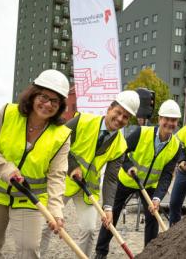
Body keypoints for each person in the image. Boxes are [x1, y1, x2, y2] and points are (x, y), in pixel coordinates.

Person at [0, 69, 72, 259]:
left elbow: (57, 175)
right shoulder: (8, 113)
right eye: (44, 96)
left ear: (60, 106)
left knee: (29, 251)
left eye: (55, 101)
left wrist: (56, 210)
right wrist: (6, 169)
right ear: (34, 94)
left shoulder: (62, 135)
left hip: (30, 198)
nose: (47, 104)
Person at [41, 90, 140, 258]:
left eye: (126, 117)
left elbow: (111, 178)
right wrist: (72, 165)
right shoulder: (82, 121)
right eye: (118, 112)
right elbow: (57, 141)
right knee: (46, 224)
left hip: (88, 189)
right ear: (109, 109)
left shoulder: (120, 145)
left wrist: (108, 207)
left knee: (89, 229)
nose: (120, 119)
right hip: (62, 181)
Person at [94, 100, 183, 259]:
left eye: (173, 120)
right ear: (160, 118)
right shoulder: (141, 132)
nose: (170, 123)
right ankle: (101, 252)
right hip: (126, 180)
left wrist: (157, 198)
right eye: (166, 119)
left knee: (153, 216)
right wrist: (128, 167)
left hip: (149, 185)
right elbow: (121, 152)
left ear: (177, 122)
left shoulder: (176, 146)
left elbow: (167, 175)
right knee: (112, 214)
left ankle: (149, 253)